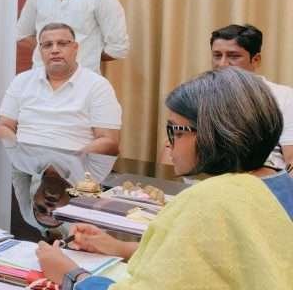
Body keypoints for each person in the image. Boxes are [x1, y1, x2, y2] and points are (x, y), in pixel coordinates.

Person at [36, 67, 293, 289]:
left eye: (176, 131)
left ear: (215, 134)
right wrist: (117, 247)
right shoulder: (278, 183)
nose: (169, 145)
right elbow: (219, 259)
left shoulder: (209, 201)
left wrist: (72, 275)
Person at [0, 22, 122, 234]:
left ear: (75, 48)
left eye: (62, 43)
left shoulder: (97, 85)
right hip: (30, 151)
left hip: (75, 156)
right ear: (40, 50)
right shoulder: (22, 81)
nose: (54, 49)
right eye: (47, 45)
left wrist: (70, 157)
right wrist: (19, 150)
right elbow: (2, 126)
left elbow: (108, 140)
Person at [209, 24, 293, 170]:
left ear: (256, 60)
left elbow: (291, 160)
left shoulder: (284, 97)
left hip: (266, 176)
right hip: (211, 176)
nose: (222, 64)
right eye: (217, 56)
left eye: (233, 56)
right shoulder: (200, 95)